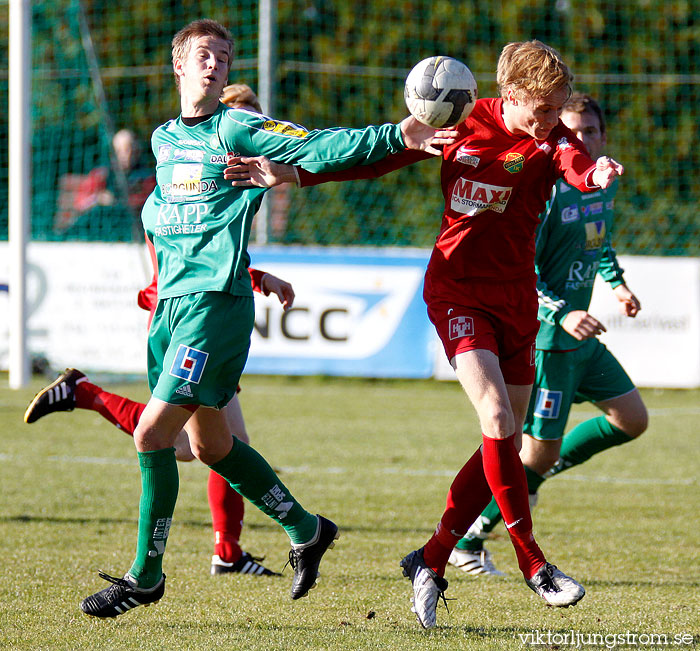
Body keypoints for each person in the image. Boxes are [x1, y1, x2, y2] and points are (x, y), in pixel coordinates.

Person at [229, 40, 624, 629]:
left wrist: (595, 170)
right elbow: (377, 158)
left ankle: (430, 557)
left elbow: (573, 160)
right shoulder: (459, 121)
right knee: (495, 418)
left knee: (508, 440)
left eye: (558, 113)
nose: (551, 124)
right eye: (542, 111)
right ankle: (534, 564)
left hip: (516, 300)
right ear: (510, 96)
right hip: (457, 291)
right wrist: (292, 172)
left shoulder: (552, 139)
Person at [75, 18, 445, 619]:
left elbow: (316, 145)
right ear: (177, 64)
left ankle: (145, 577)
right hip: (171, 308)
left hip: (213, 309)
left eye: (223, 56)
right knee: (214, 446)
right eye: (202, 54)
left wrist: (395, 134)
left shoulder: (238, 126)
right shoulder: (164, 139)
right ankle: (306, 529)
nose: (214, 64)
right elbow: (185, 223)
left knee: (152, 436)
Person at [447, 92, 648, 576]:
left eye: (591, 132)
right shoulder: (548, 189)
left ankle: (526, 483)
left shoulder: (602, 186)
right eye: (573, 132)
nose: (581, 140)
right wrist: (561, 314)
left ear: (603, 137)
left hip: (581, 336)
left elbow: (600, 241)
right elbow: (521, 270)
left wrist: (617, 285)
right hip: (550, 338)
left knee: (631, 419)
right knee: (535, 450)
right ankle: (470, 538)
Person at [23, 265, 294, 578]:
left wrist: (256, 279)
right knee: (184, 442)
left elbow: (205, 248)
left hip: (202, 310)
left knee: (224, 441)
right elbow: (199, 251)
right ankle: (84, 393)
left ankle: (228, 551)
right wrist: (258, 278)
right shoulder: (169, 215)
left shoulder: (171, 216)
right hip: (191, 316)